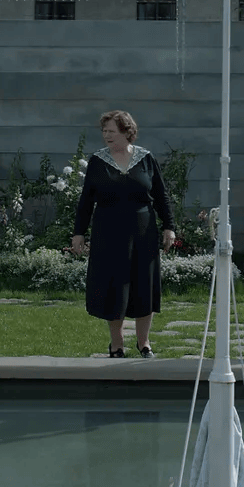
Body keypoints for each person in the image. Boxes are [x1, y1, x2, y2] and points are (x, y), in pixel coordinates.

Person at [71, 110, 176, 358]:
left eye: (111, 131)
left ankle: (144, 343)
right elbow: (86, 201)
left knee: (144, 286)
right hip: (109, 232)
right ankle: (117, 344)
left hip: (144, 231)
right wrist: (78, 233)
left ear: (127, 132)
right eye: (104, 131)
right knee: (114, 287)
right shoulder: (98, 161)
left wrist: (169, 227)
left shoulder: (146, 159)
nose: (106, 136)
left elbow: (161, 196)